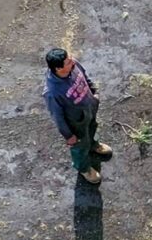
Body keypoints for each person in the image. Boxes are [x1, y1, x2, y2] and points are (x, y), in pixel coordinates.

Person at [43, 48, 111, 184]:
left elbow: (84, 76)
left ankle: (93, 145)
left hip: (89, 110)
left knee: (92, 129)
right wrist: (69, 136)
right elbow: (58, 117)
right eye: (68, 62)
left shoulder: (73, 66)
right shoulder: (52, 92)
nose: (72, 61)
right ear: (58, 68)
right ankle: (84, 168)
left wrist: (94, 93)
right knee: (80, 146)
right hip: (76, 124)